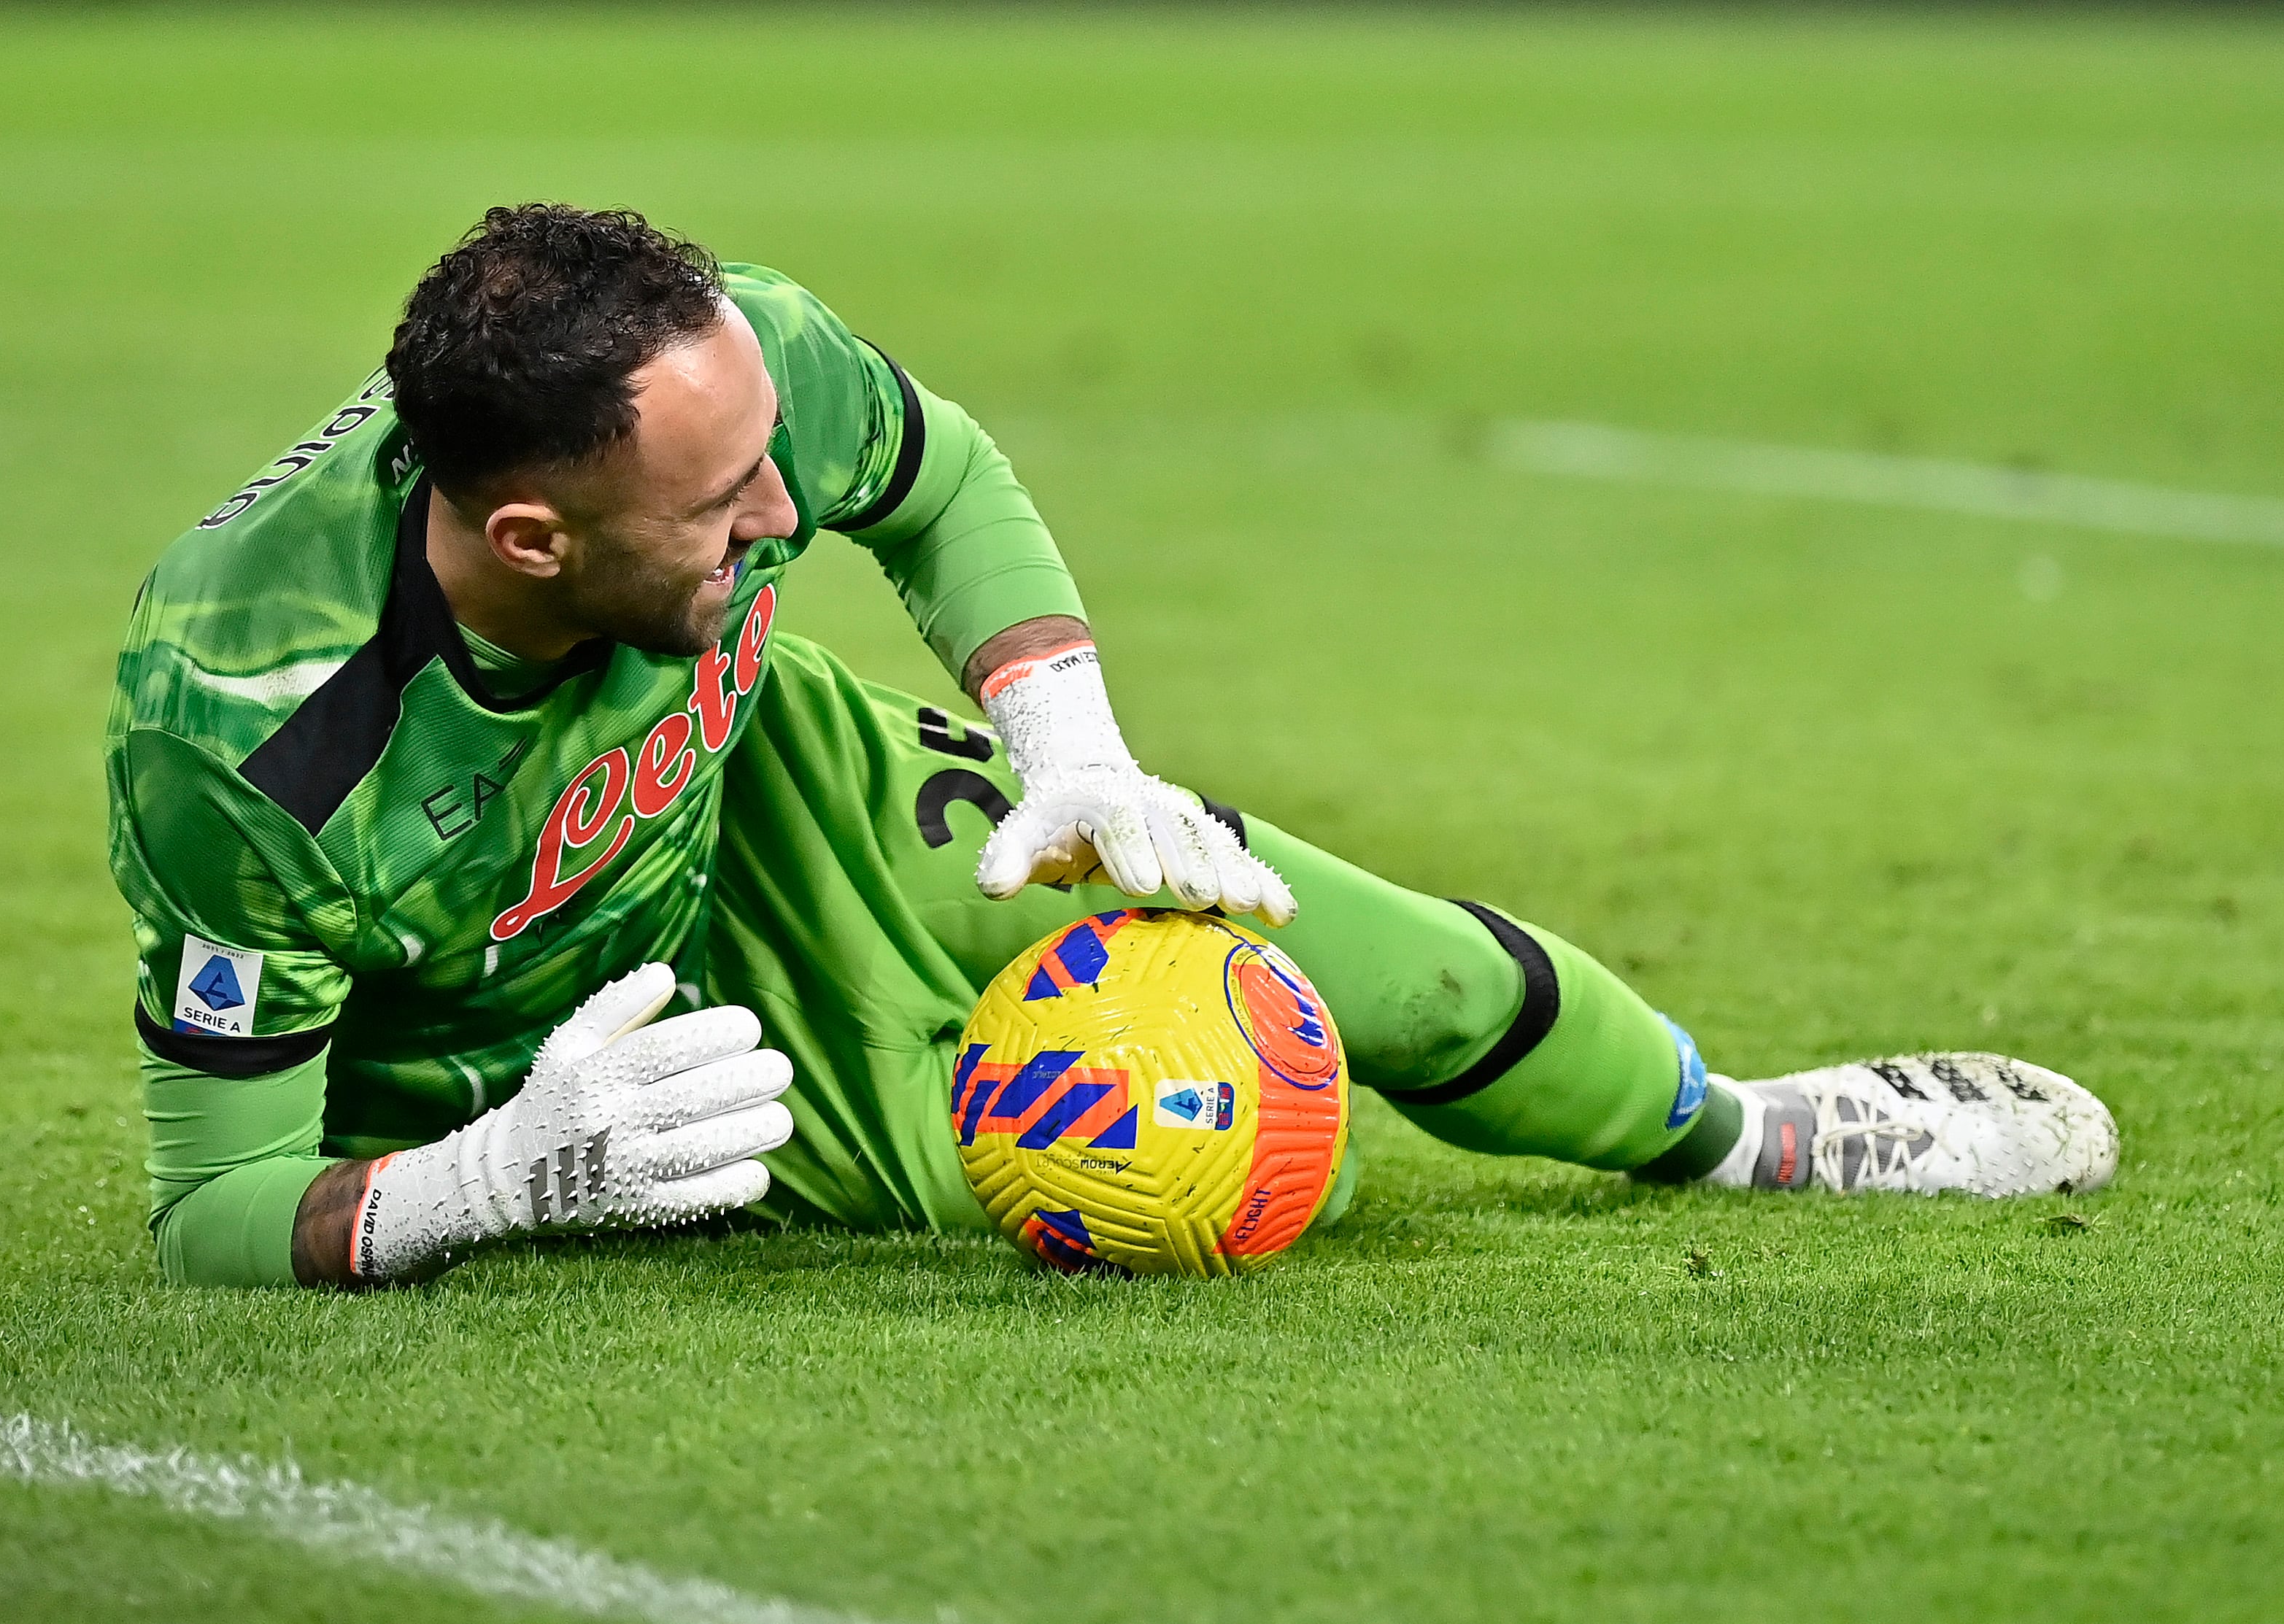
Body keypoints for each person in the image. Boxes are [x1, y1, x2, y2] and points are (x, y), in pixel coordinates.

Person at [107, 204, 2117, 1288]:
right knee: (1199, 1159)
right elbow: (212, 1211)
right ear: (529, 536)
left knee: (1342, 954)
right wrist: (485, 1182)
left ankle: (1746, 1128)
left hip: (777, 789)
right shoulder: (249, 743)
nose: (780, 520)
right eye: (722, 510)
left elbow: (937, 476)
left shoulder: (732, 363)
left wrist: (1064, 744)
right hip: (605, 1063)